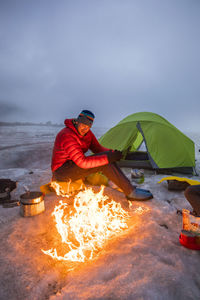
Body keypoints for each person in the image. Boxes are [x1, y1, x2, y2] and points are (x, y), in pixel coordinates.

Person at [51, 109, 153, 201]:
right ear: (77, 121)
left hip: (73, 166)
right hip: (62, 172)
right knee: (104, 162)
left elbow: (98, 149)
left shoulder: (87, 134)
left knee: (107, 158)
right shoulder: (67, 135)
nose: (84, 129)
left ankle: (127, 187)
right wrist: (108, 158)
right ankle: (130, 192)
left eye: (88, 126)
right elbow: (82, 163)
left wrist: (113, 153)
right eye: (82, 124)